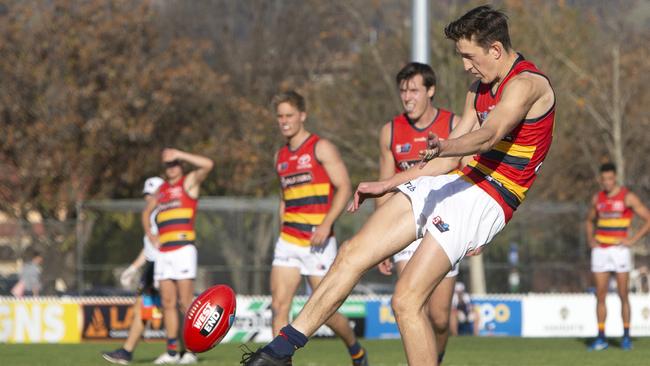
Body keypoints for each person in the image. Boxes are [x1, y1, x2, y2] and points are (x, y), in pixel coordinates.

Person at [241, 5, 555, 365]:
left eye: (469, 56)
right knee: (351, 253)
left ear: (495, 49)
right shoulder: (478, 88)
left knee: (405, 300)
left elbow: (488, 135)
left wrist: (448, 144)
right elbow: (449, 161)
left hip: (488, 198)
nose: (466, 65)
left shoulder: (527, 85)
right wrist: (387, 184)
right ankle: (278, 353)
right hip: (457, 179)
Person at [268, 90, 368, 366]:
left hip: (318, 241)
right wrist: (282, 229)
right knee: (279, 306)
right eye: (280, 117)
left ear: (302, 115)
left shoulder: (320, 147)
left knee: (326, 309)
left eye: (289, 115)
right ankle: (280, 361)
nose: (284, 121)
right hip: (289, 240)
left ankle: (355, 349)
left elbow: (345, 186)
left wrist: (326, 224)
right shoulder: (280, 156)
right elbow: (284, 197)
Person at [375, 62, 465, 364]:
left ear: (430, 90)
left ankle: (433, 359)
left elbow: (470, 179)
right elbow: (385, 188)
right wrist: (381, 241)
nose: (407, 96)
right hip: (405, 225)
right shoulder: (390, 131)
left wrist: (474, 232)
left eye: (413, 90)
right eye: (403, 90)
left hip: (446, 226)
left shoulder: (455, 125)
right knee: (412, 305)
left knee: (440, 318)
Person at [148, 149, 214, 364]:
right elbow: (145, 212)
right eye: (168, 164)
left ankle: (191, 351)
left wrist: (181, 154)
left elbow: (208, 164)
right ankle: (172, 351)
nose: (172, 167)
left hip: (183, 250)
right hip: (164, 252)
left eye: (175, 163)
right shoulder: (161, 190)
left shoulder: (188, 182)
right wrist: (151, 235)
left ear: (181, 164)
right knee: (167, 302)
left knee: (185, 303)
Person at [586, 163, 650, 351]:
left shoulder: (627, 197)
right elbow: (589, 221)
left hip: (620, 250)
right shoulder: (597, 198)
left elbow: (648, 218)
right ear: (601, 180)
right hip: (600, 251)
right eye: (604, 179)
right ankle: (601, 337)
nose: (607, 182)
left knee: (623, 294)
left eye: (610, 179)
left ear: (615, 179)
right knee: (601, 296)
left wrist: (633, 240)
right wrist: (591, 239)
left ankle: (626, 336)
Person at [103, 176, 165, 365]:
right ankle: (127, 351)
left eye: (152, 194)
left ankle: (179, 350)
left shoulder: (161, 215)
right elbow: (149, 249)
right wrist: (132, 268)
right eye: (147, 195)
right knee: (146, 309)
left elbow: (161, 246)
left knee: (163, 309)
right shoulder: (154, 216)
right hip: (153, 268)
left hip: (160, 268)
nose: (148, 198)